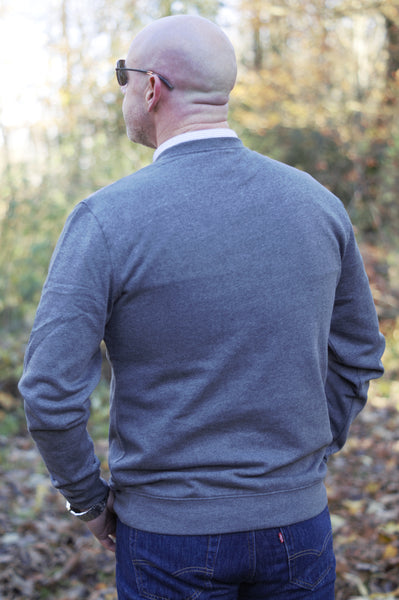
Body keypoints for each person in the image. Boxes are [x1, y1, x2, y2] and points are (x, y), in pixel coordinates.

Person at [19, 14, 385, 600]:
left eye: (123, 76)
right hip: (300, 528)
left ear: (151, 87)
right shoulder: (318, 206)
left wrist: (87, 500)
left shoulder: (107, 220)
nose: (123, 91)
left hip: (167, 540)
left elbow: (48, 391)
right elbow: (360, 356)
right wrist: (294, 466)